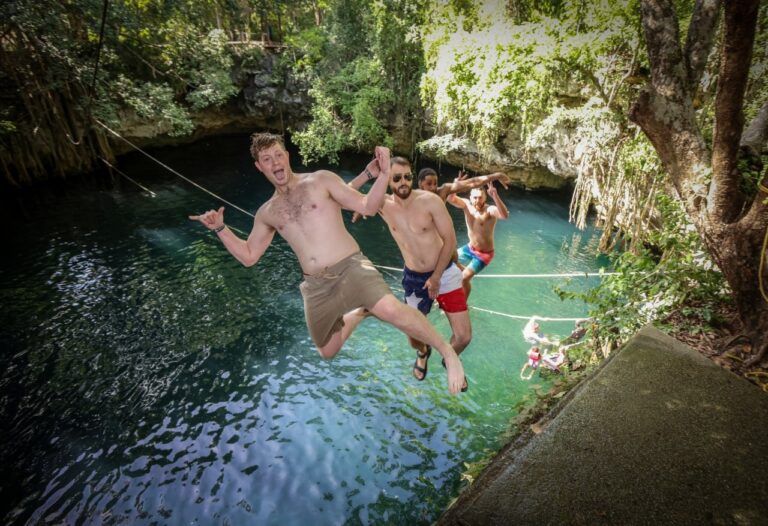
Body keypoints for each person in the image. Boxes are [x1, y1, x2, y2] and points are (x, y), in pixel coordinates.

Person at [189, 133, 466, 394]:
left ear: (286, 156)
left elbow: (368, 206)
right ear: (259, 167)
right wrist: (221, 229)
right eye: (267, 159)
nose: (274, 163)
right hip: (316, 285)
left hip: (352, 266)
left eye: (277, 155)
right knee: (327, 349)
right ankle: (360, 312)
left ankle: (446, 351)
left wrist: (383, 175)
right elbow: (249, 255)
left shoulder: (321, 180)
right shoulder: (267, 212)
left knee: (392, 310)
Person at [349, 157, 471, 390]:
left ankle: (450, 358)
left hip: (444, 274)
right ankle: (423, 352)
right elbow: (342, 195)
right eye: (396, 178)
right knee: (414, 337)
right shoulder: (382, 204)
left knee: (464, 337)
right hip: (414, 279)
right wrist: (368, 173)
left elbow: (450, 241)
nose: (403, 182)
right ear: (387, 181)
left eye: (407, 176)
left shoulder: (430, 201)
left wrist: (436, 277)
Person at [448, 183, 510, 297]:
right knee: (447, 260)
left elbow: (504, 216)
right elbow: (450, 199)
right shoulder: (466, 205)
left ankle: (463, 305)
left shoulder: (489, 210)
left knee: (462, 279)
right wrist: (455, 186)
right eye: (475, 197)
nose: (478, 200)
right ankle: (467, 272)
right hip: (470, 248)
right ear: (470, 197)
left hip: (484, 254)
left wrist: (495, 196)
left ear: (485, 197)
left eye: (481, 197)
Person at [418, 167, 511, 203]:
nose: (433, 187)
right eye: (429, 184)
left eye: (435, 183)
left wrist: (497, 175)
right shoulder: (414, 198)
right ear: (420, 185)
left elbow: (472, 182)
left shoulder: (443, 191)